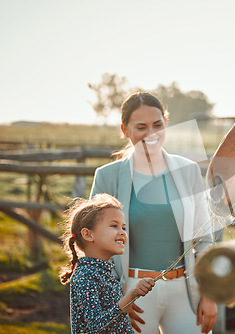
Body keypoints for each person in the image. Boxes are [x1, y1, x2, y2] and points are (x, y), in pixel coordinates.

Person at [89, 91, 217, 334]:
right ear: (125, 130)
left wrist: (208, 295)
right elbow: (94, 246)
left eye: (157, 125)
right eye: (141, 127)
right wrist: (115, 301)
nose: (151, 134)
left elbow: (204, 239)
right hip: (132, 293)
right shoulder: (107, 176)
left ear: (166, 123)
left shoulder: (189, 171)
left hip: (185, 291)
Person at [60, 193, 155, 334]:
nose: (122, 232)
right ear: (88, 234)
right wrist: (131, 295)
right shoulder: (86, 276)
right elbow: (96, 326)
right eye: (114, 226)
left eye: (123, 227)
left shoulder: (105, 272)